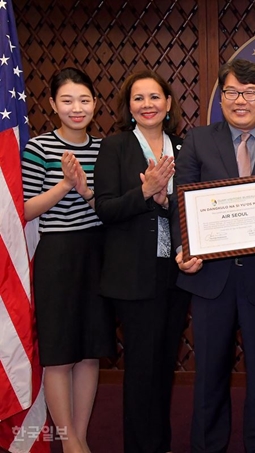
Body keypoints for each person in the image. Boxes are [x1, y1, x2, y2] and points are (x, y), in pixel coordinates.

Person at [172, 58, 255, 453]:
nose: (241, 100)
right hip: (209, 278)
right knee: (209, 374)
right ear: (222, 97)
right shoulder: (198, 141)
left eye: (250, 93)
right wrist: (185, 249)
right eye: (232, 92)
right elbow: (181, 202)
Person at [94, 70, 191, 453]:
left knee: (165, 365)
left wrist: (167, 203)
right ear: (129, 107)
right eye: (138, 98)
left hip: (175, 274)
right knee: (141, 369)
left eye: (155, 97)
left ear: (168, 104)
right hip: (132, 277)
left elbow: (194, 208)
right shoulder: (115, 147)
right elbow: (106, 208)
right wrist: (146, 191)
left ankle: (160, 443)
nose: (147, 104)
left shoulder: (184, 148)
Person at [21, 67, 115, 453]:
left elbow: (108, 207)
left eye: (84, 100)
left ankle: (82, 437)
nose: (77, 108)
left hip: (98, 252)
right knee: (60, 352)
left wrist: (85, 189)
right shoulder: (39, 148)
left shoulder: (107, 147)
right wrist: (64, 184)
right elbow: (26, 209)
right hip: (57, 255)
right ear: (52, 105)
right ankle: (69, 441)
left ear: (94, 103)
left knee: (89, 350)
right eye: (67, 100)